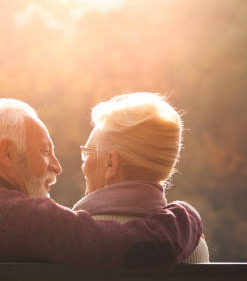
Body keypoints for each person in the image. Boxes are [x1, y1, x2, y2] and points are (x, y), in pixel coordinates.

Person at [0, 98, 203, 269]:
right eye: (45, 151)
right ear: (7, 153)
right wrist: (186, 215)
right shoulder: (27, 219)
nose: (58, 166)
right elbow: (140, 248)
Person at [73, 93, 209, 263]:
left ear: (110, 164)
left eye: (88, 153)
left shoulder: (75, 239)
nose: (83, 166)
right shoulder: (195, 245)